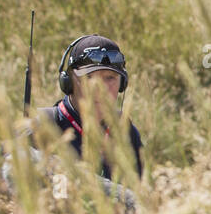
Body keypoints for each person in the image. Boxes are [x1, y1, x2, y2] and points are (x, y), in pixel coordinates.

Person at [37, 34, 144, 183]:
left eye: (110, 78)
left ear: (122, 83)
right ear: (68, 81)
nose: (100, 88)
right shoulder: (41, 125)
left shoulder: (125, 131)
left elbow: (141, 196)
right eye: (89, 77)